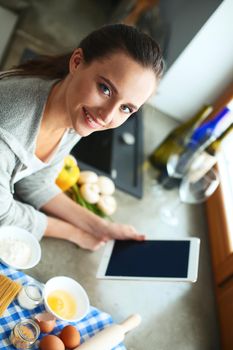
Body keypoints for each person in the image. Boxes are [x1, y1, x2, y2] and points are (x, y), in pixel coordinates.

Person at [0, 23, 163, 251]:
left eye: (126, 108)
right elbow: (3, 216)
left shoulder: (69, 108)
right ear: (76, 62)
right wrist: (73, 233)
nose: (107, 116)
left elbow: (35, 183)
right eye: (105, 89)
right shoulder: (8, 130)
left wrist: (101, 227)